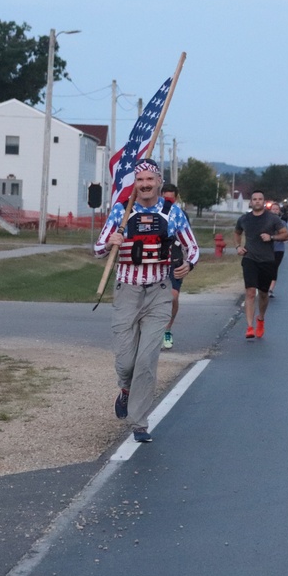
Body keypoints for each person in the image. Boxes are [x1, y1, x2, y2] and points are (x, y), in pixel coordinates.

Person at [94, 159, 199, 443]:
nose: (144, 185)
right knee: (126, 360)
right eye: (140, 180)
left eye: (149, 180)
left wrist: (188, 265)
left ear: (158, 181)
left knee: (147, 359)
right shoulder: (121, 210)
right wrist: (111, 242)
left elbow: (193, 248)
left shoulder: (172, 213)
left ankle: (139, 423)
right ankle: (126, 389)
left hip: (159, 291)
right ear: (135, 183)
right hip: (127, 289)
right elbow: (98, 248)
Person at [233, 190, 288, 339]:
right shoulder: (244, 219)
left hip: (267, 260)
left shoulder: (272, 218)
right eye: (254, 199)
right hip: (250, 258)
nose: (257, 201)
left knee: (263, 294)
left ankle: (261, 319)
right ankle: (249, 327)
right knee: (250, 292)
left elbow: (286, 235)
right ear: (250, 202)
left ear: (264, 202)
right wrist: (238, 246)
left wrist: (271, 237)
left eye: (260, 199)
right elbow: (237, 232)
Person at [161, 182, 185, 349]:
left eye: (171, 199)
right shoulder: (155, 213)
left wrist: (189, 262)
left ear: (175, 199)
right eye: (165, 198)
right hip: (157, 261)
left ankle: (167, 329)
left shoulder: (180, 215)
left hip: (175, 261)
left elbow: (189, 241)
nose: (168, 202)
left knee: (173, 296)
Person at [268, 201, 286, 298]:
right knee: (266, 268)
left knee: (274, 268)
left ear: (279, 211)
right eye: (273, 209)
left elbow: (286, 236)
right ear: (270, 211)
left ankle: (270, 289)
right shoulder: (265, 222)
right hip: (267, 249)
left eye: (277, 209)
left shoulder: (282, 223)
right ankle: (264, 286)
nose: (275, 211)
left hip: (278, 249)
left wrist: (277, 237)